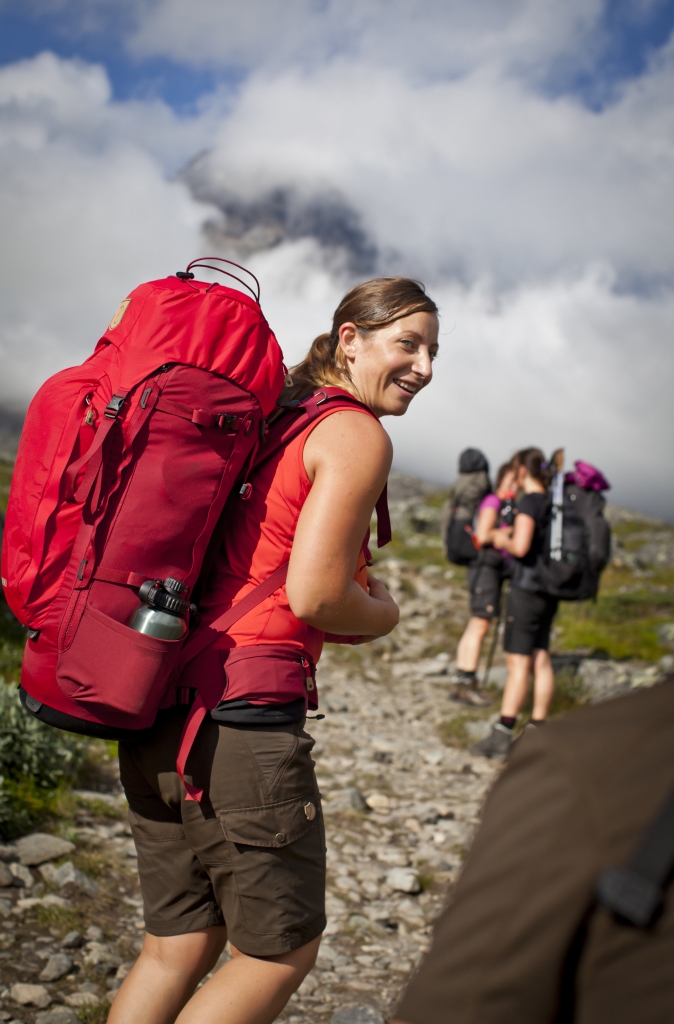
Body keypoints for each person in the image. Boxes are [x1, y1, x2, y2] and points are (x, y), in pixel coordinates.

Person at [108, 277, 439, 1024]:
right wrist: (383, 615)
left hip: (155, 695)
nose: (423, 367)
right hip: (241, 723)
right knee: (275, 953)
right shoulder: (353, 434)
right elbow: (317, 596)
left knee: (175, 945)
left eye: (431, 351)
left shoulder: (272, 416)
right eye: (407, 344)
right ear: (348, 339)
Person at [392, 676, 674, 1024]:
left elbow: (459, 1006)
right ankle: (525, 722)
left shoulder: (593, 757)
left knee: (518, 657)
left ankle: (504, 725)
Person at [472, 448, 560, 758]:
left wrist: (499, 538)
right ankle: (537, 725)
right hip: (550, 589)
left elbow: (520, 547)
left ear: (522, 471)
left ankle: (503, 734)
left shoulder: (529, 502)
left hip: (526, 590)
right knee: (541, 656)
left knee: (518, 663)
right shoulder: (554, 502)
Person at [452, 462, 517, 706]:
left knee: (477, 623)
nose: (515, 486)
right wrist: (507, 533)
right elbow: (483, 534)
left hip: (489, 569)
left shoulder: (506, 505)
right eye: (511, 481)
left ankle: (462, 681)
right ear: (500, 480)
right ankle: (467, 681)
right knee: (480, 623)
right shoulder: (493, 502)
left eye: (517, 482)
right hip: (485, 566)